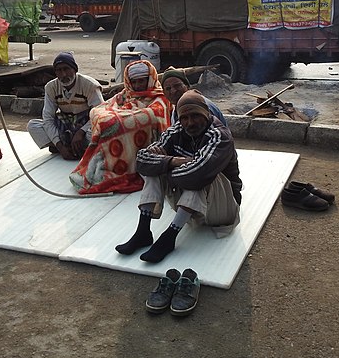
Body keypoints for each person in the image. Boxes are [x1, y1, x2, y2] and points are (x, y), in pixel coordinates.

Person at [115, 89, 242, 263]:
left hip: (223, 209)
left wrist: (164, 164)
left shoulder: (220, 136)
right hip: (192, 208)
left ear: (206, 114)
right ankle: (143, 231)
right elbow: (141, 162)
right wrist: (174, 161)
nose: (190, 122)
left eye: (196, 116)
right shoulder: (177, 131)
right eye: (185, 118)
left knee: (199, 177)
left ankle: (169, 237)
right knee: (156, 171)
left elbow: (198, 176)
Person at [69, 60, 171, 194]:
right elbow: (102, 107)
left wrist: (119, 119)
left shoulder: (160, 98)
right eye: (134, 82)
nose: (137, 85)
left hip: (139, 142)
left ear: (150, 79)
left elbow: (151, 116)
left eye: (141, 81)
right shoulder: (126, 94)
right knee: (102, 123)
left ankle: (119, 170)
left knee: (113, 126)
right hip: (113, 135)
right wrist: (115, 116)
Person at [27, 52, 103, 160]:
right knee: (33, 125)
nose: (63, 75)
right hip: (66, 124)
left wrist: (81, 132)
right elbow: (48, 118)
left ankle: (79, 146)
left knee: (101, 131)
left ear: (75, 69)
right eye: (59, 70)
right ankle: (67, 147)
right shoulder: (51, 87)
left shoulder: (89, 85)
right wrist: (60, 146)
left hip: (86, 124)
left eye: (66, 69)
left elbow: (100, 113)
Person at [161, 68, 226, 126]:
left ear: (187, 87)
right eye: (168, 88)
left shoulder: (202, 106)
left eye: (177, 86)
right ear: (164, 93)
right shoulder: (175, 110)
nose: (173, 91)